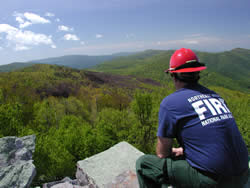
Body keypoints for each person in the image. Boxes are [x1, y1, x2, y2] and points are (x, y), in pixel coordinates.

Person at [136, 48, 249, 188]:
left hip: (216, 181)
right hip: (243, 174)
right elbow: (217, 137)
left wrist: (173, 151)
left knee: (144, 164)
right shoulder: (216, 97)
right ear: (198, 73)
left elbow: (162, 154)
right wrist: (184, 150)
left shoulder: (170, 103)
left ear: (174, 75)